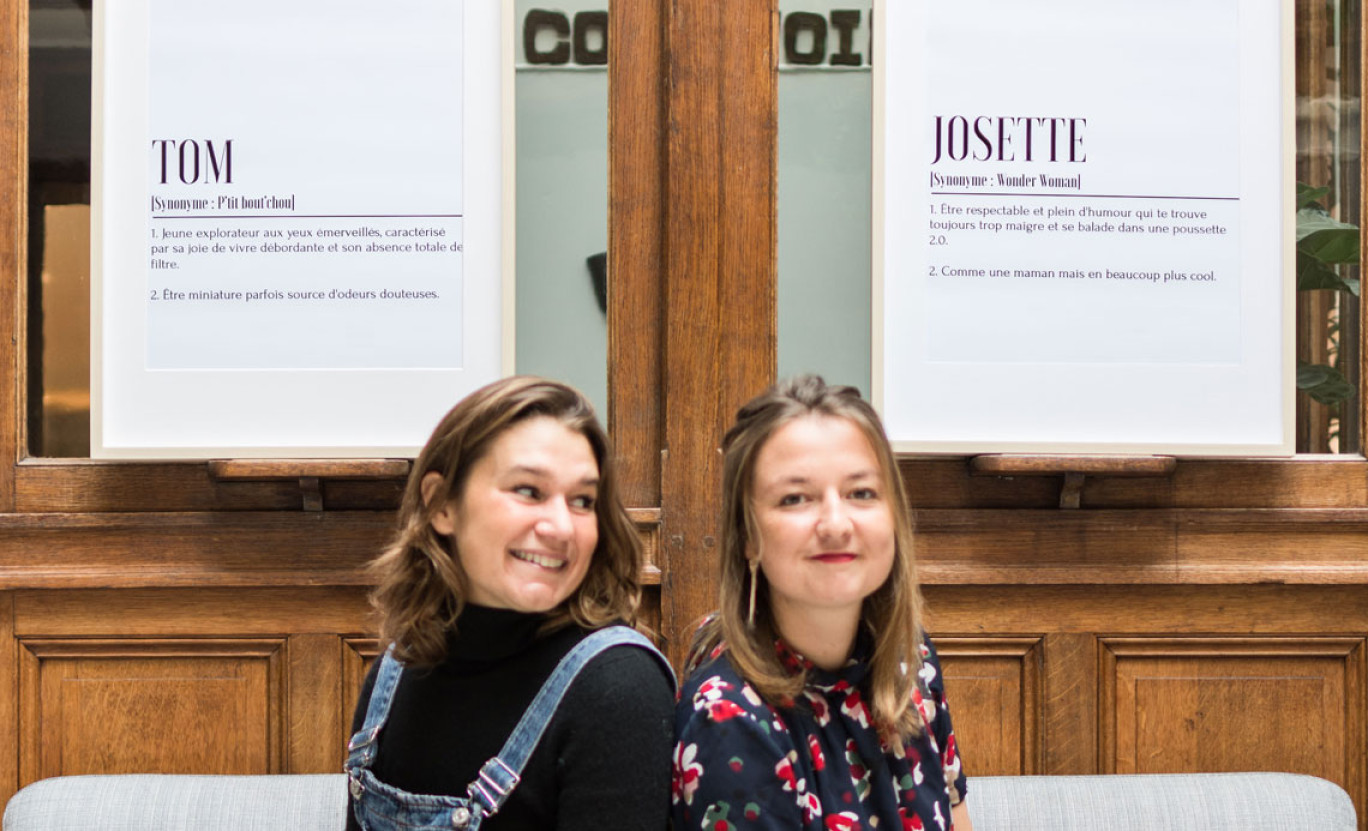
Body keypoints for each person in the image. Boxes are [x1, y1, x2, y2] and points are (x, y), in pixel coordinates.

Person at [345, 376, 675, 831]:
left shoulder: (618, 686)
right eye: (528, 491)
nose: (561, 527)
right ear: (442, 504)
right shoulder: (393, 674)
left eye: (583, 501)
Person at [672, 375, 972, 831]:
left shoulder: (912, 659)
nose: (835, 522)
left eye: (861, 493)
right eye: (795, 498)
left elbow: (956, 815)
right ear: (749, 538)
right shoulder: (728, 716)